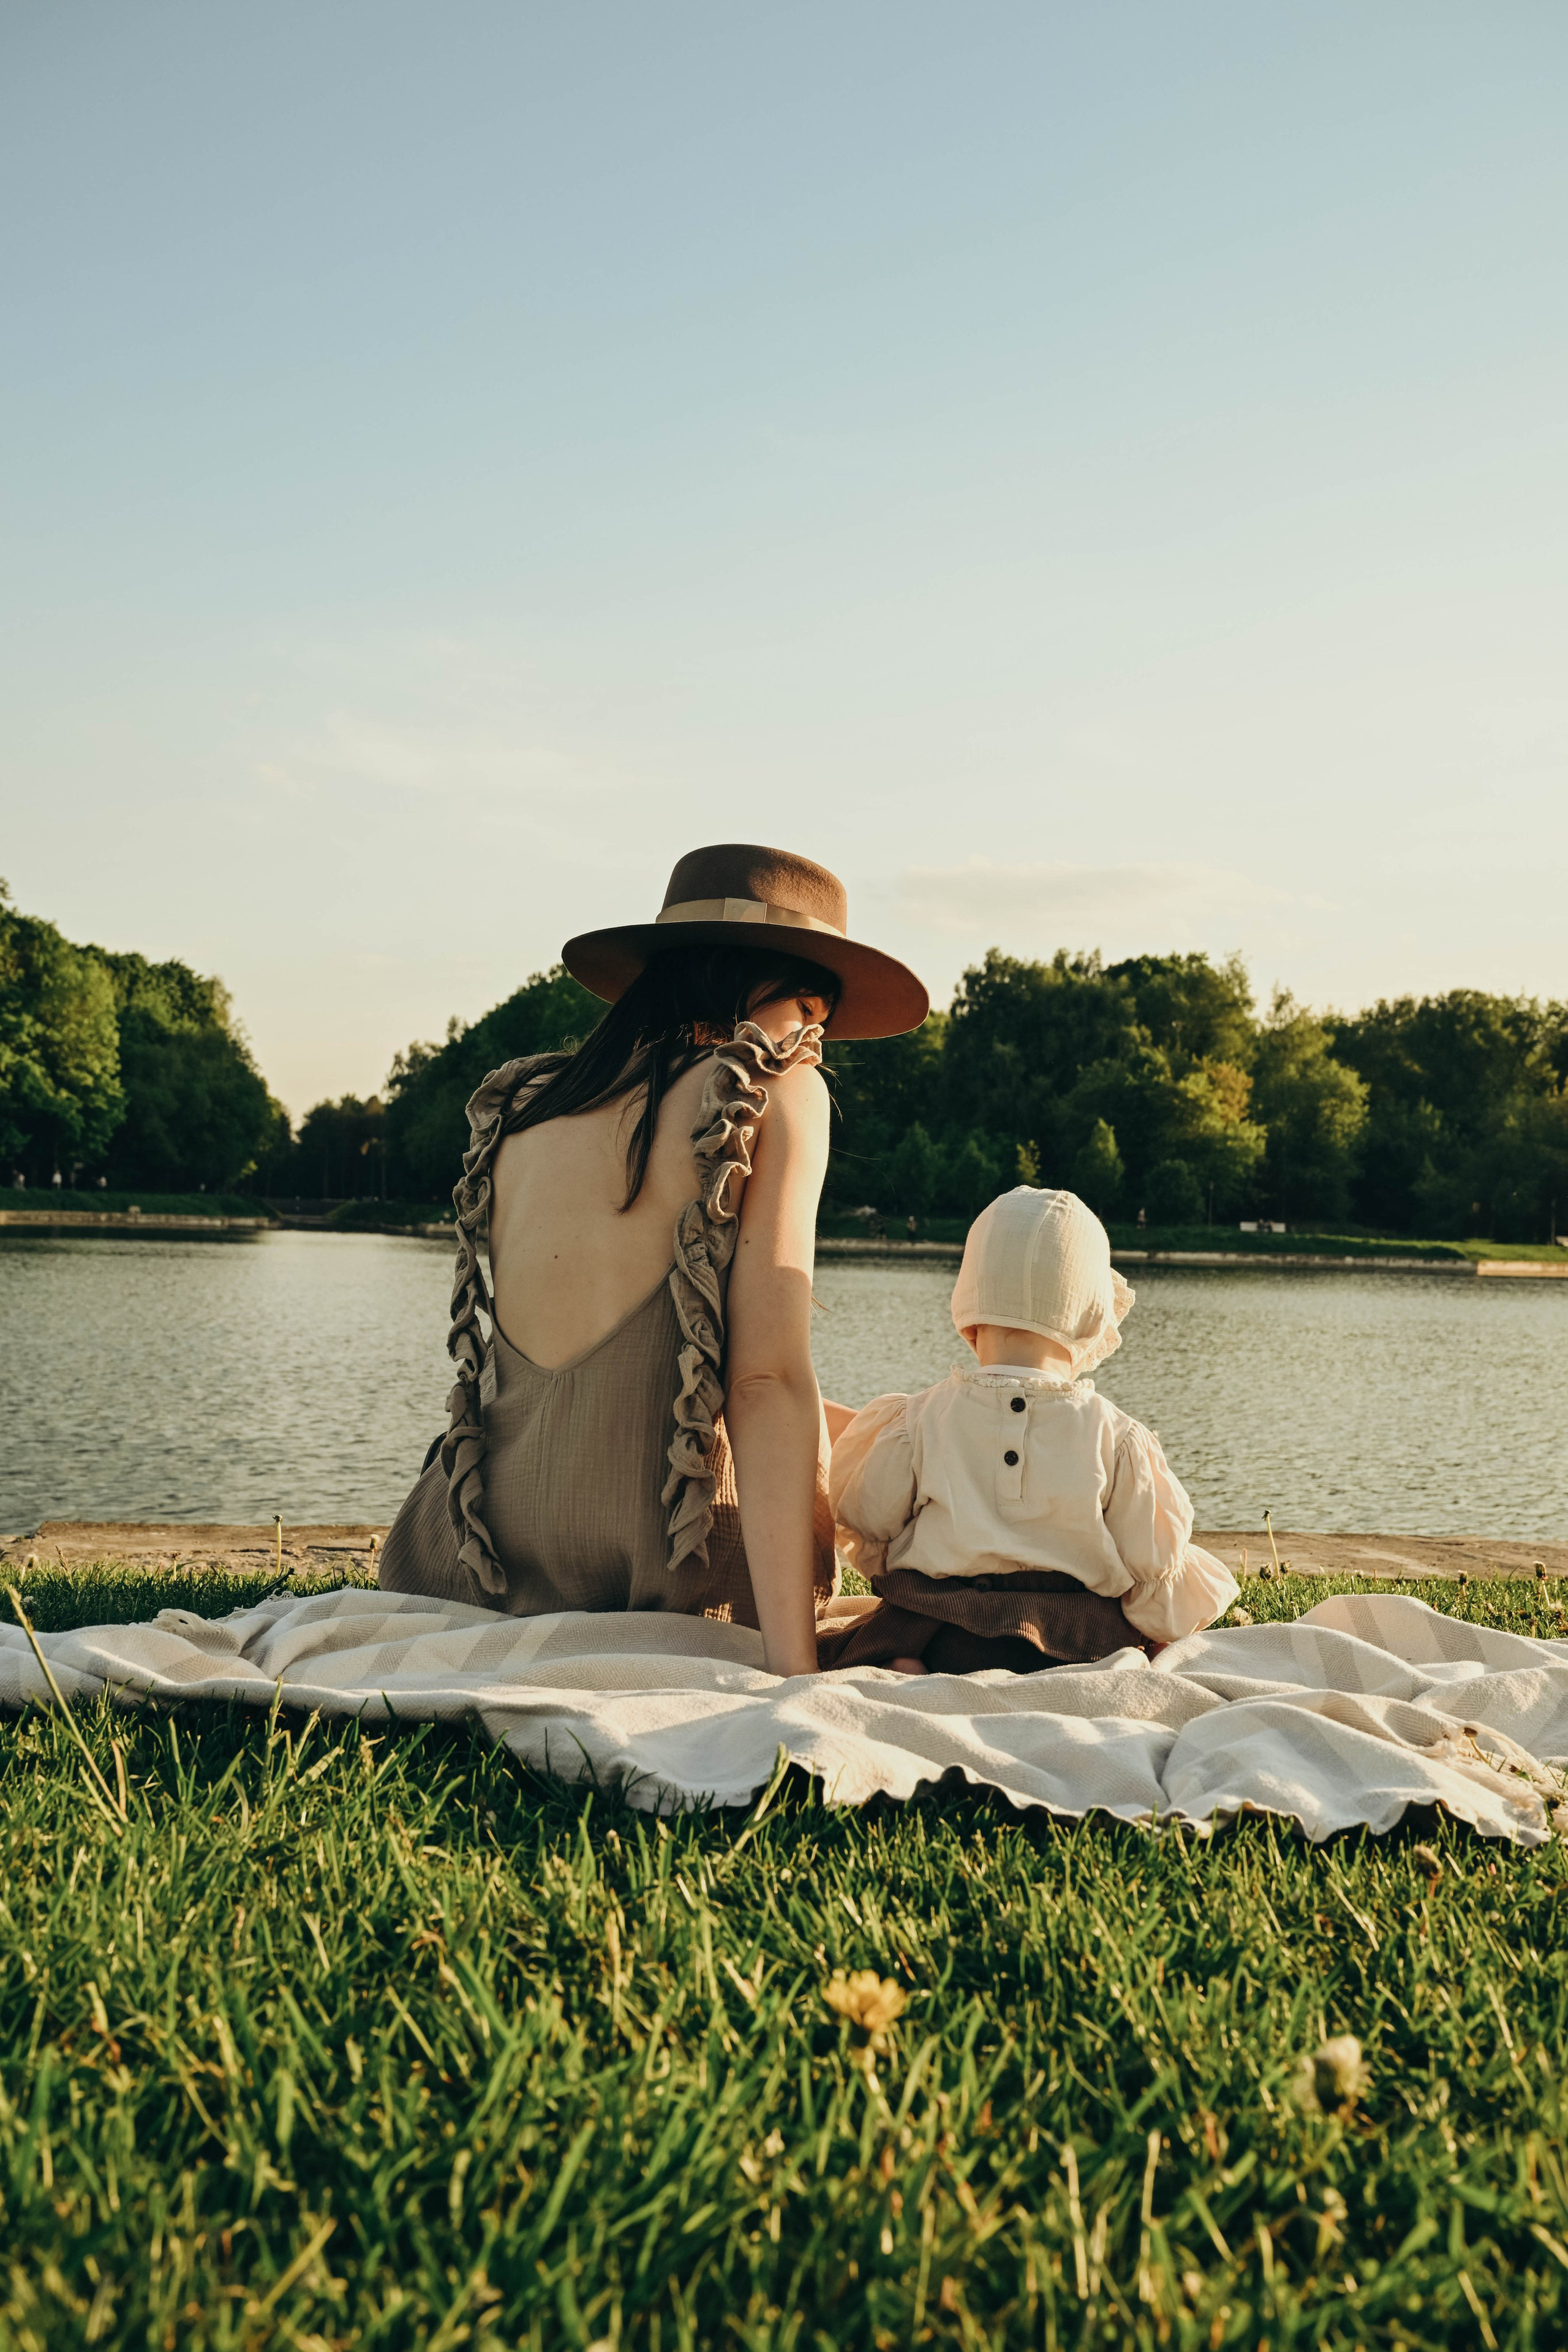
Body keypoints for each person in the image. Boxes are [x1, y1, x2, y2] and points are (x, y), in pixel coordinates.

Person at [377, 842, 928, 1678]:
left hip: (473, 1556)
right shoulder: (778, 1092)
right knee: (808, 1413)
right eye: (811, 1011)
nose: (814, 1041)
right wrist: (795, 1671)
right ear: (769, 987)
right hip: (668, 1559)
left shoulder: (524, 1105)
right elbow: (764, 1381)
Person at [818, 1186, 1238, 1674]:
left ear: (970, 1323)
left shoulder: (919, 1419)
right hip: (1075, 1635)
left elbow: (869, 1521)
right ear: (1089, 1328)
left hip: (940, 1625)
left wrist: (904, 1572)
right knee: (1133, 1638)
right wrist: (1157, 1629)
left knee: (895, 1634)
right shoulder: (1116, 1436)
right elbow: (1151, 1560)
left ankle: (907, 1665)